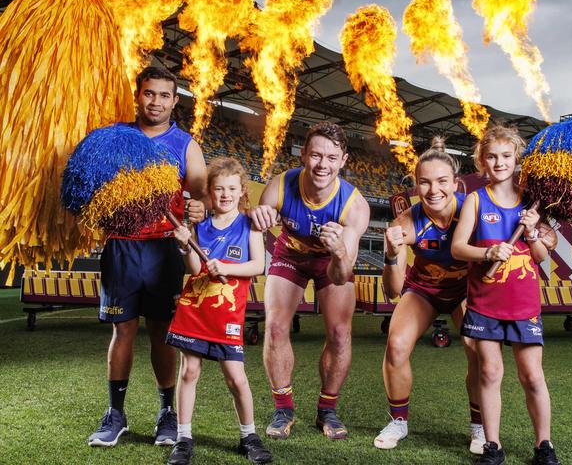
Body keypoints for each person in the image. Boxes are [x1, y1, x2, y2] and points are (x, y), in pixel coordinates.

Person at [88, 66, 208, 447]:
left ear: (175, 101)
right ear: (138, 95)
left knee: (161, 331)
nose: (155, 101)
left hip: (164, 248)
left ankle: (166, 414)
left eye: (164, 95)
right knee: (121, 329)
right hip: (121, 244)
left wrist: (198, 208)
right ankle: (115, 414)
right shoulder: (115, 137)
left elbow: (202, 195)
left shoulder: (185, 144)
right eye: (149, 93)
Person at [248, 122, 370, 440]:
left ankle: (327, 410)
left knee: (341, 333)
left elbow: (342, 274)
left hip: (332, 262)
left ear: (343, 160)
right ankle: (283, 409)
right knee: (275, 325)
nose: (323, 165)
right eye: (316, 155)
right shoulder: (281, 184)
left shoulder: (354, 207)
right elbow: (255, 221)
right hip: (290, 254)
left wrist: (340, 250)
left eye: (331, 158)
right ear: (303, 155)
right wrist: (258, 218)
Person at [450, 124, 560, 465]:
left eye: (506, 156)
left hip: (524, 306)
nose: (499, 162)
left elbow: (541, 257)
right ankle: (492, 446)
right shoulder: (475, 200)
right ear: (482, 161)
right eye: (492, 156)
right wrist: (488, 254)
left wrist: (530, 232)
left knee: (532, 376)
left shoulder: (532, 204)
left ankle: (544, 446)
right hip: (485, 305)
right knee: (489, 373)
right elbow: (457, 248)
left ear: (517, 160)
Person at [373, 138, 484, 454]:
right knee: (396, 345)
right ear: (415, 185)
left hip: (465, 290)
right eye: (425, 182)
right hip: (424, 290)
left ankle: (478, 427)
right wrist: (392, 253)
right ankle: (398, 421)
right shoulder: (406, 220)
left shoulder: (473, 209)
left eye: (441, 182)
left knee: (477, 349)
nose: (434, 190)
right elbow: (393, 291)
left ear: (455, 183)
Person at [165, 157, 272, 465]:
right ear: (210, 193)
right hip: (195, 309)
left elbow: (258, 265)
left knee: (236, 378)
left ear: (242, 192)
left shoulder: (249, 224)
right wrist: (186, 245)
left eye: (232, 189)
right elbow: (195, 268)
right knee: (189, 372)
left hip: (227, 313)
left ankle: (248, 436)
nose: (225, 194)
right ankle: (184, 438)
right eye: (219, 189)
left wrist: (225, 266)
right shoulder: (201, 225)